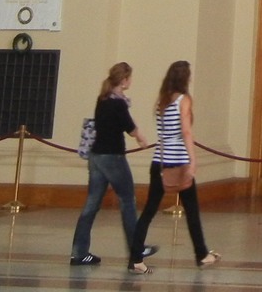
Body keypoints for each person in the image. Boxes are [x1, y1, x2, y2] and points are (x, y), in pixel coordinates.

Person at [128, 61, 219, 273]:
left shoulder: (163, 101)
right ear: (185, 78)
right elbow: (186, 132)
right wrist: (193, 160)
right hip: (178, 162)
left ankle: (135, 258)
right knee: (192, 210)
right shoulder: (183, 100)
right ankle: (201, 254)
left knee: (149, 211)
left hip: (159, 162)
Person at [70, 62, 158, 267]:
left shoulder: (103, 99)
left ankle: (79, 253)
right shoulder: (118, 104)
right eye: (130, 78)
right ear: (125, 80)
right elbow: (130, 128)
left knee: (91, 205)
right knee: (127, 200)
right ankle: (136, 249)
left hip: (96, 156)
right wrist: (142, 139)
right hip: (113, 157)